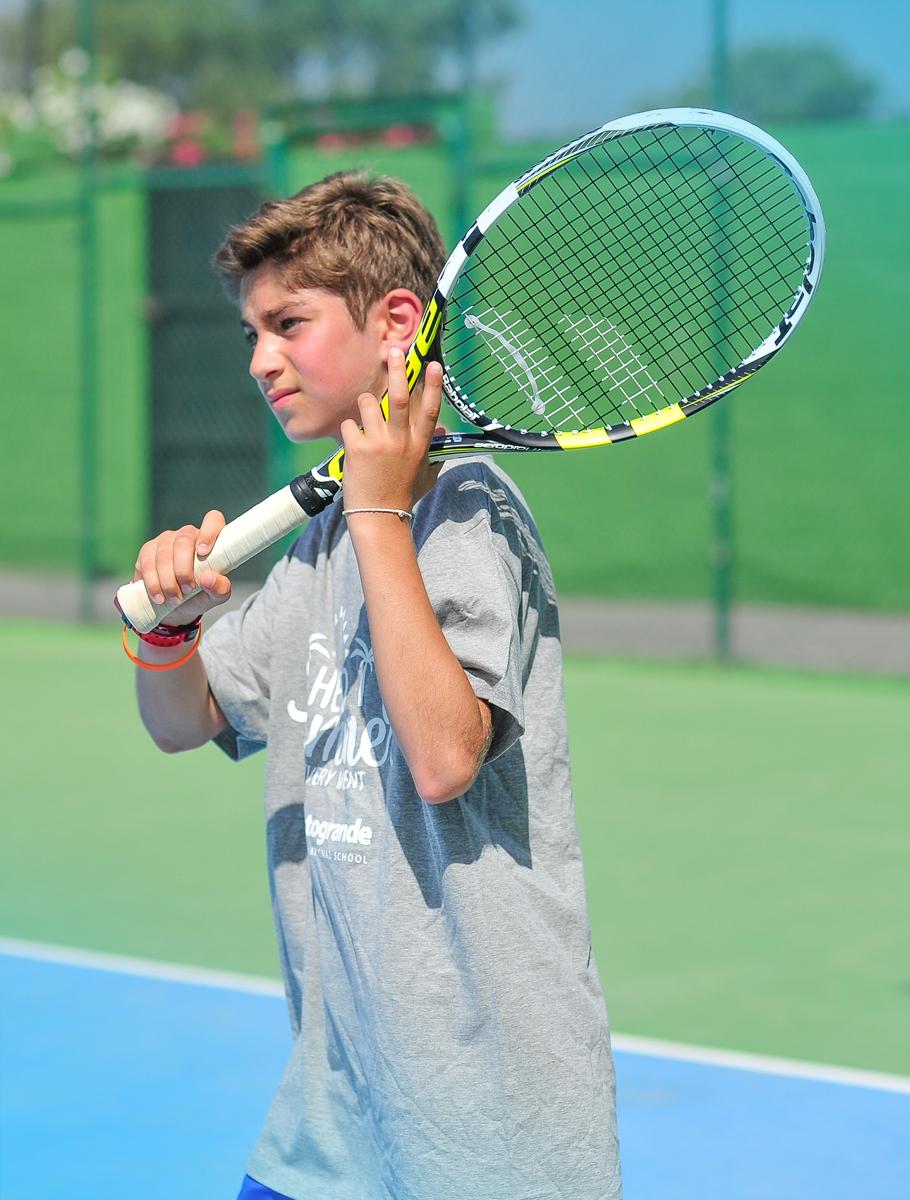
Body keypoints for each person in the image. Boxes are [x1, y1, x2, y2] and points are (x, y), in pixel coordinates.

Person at [127, 171, 622, 1200]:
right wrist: (173, 634)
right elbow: (186, 722)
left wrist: (379, 512)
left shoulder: (469, 514)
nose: (262, 359)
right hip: (331, 1120)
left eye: (288, 323)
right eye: (253, 332)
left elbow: (445, 758)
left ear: (398, 322)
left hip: (486, 1135)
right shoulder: (324, 543)